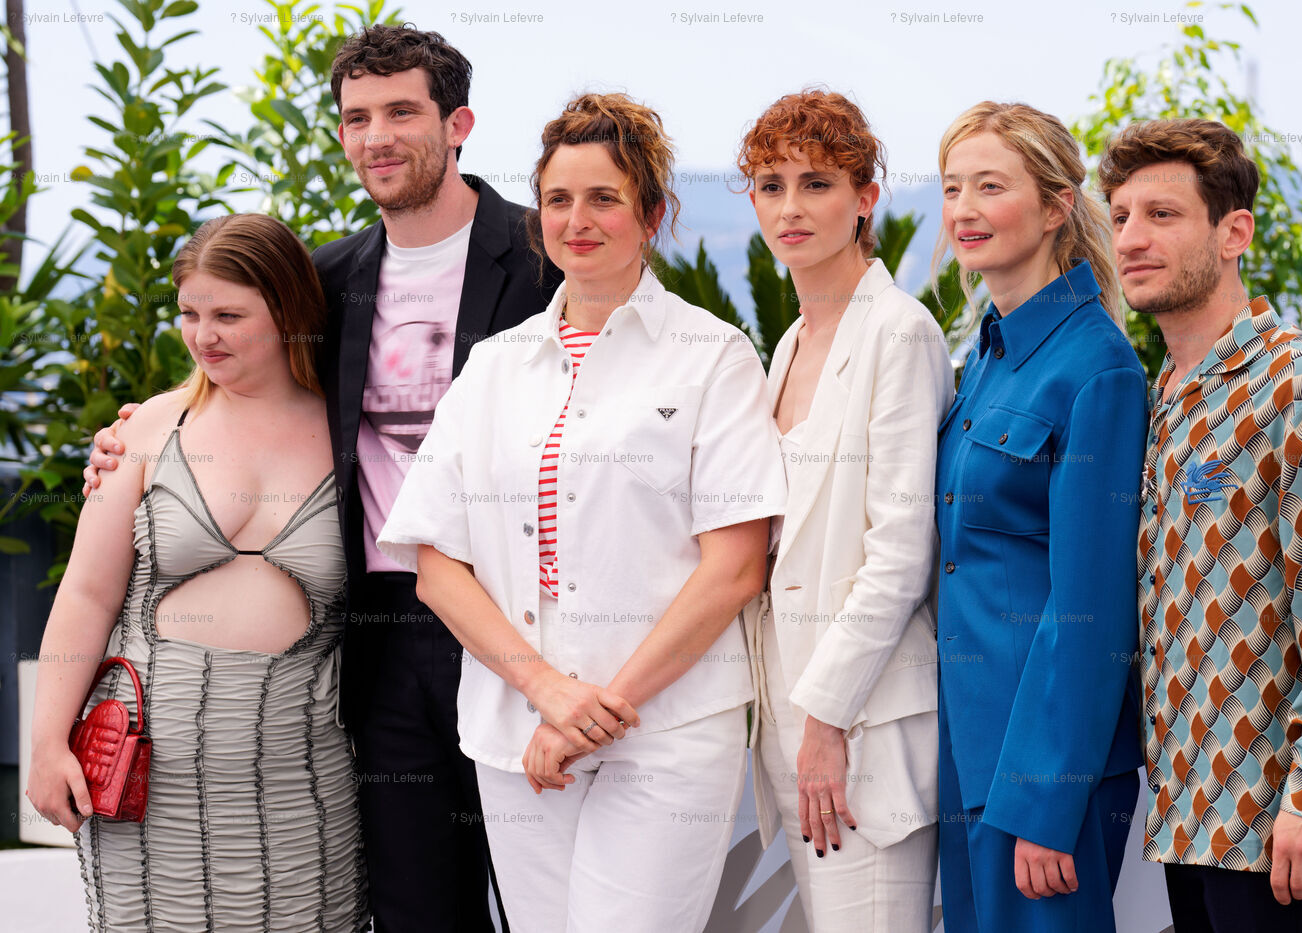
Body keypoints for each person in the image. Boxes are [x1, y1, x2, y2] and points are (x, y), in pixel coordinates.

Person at [81, 26, 559, 931]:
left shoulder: (546, 258)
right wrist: (134, 431)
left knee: (560, 900)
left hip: (528, 620)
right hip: (381, 633)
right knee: (418, 907)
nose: (378, 136)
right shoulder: (330, 279)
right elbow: (238, 372)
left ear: (457, 125)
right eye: (357, 117)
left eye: (401, 112)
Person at [375, 91, 786, 933]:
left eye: (605, 198)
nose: (578, 220)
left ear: (653, 213)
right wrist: (547, 690)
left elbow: (735, 567)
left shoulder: (713, 356)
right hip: (517, 729)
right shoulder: (494, 367)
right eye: (558, 199)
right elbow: (437, 566)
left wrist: (597, 710)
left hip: (667, 731)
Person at [26, 214, 368, 932]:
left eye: (228, 316)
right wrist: (48, 742)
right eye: (189, 313)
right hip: (147, 773)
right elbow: (86, 594)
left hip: (301, 777)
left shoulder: (353, 435)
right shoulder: (150, 428)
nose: (203, 336)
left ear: (288, 310)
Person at [1101, 117, 1302, 930]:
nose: (1131, 237)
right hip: (1190, 811)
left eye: (1162, 214)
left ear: (1235, 232)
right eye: (1120, 216)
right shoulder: (1162, 399)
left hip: (1284, 825)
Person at [733, 88, 952, 931]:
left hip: (859, 724)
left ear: (865, 198)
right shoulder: (791, 341)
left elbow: (900, 553)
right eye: (771, 185)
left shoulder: (899, 330)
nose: (790, 207)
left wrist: (825, 720)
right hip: (790, 719)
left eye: (816, 183)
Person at [932, 101, 1146, 933]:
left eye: (991, 186)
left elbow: (1092, 605)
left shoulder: (1098, 367)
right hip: (969, 754)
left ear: (1057, 205)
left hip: (1040, 773)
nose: (965, 208)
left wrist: (1047, 800)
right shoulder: (985, 356)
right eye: (953, 187)